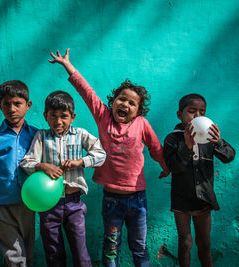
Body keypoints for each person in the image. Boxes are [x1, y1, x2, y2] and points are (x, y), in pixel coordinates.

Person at [49, 48, 169, 267]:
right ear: (113, 101)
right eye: (122, 99)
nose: (125, 104)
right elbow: (86, 92)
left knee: (139, 246)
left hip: (138, 200)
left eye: (132, 103)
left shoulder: (141, 124)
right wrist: (68, 65)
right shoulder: (104, 117)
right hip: (111, 199)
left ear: (139, 111)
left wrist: (165, 166)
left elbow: (155, 147)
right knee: (111, 247)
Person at [20, 90, 106, 267]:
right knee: (53, 252)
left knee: (80, 251)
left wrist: (80, 162)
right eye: (53, 115)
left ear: (72, 117)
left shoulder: (80, 134)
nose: (58, 121)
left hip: (74, 204)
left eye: (63, 116)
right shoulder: (42, 137)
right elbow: (26, 161)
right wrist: (42, 166)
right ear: (45, 116)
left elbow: (101, 154)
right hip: (48, 206)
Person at [163, 93, 235, 267]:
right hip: (181, 200)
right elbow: (174, 167)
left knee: (204, 244)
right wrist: (187, 146)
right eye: (192, 111)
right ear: (180, 115)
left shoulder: (209, 138)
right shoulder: (172, 139)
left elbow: (229, 157)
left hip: (204, 199)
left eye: (202, 112)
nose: (197, 116)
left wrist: (218, 142)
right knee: (185, 242)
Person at [0, 80, 38, 266]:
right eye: (6, 104)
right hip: (1, 203)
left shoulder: (37, 135)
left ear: (28, 105)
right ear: (0, 106)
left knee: (27, 252)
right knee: (13, 255)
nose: (12, 109)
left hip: (29, 202)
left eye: (17, 103)